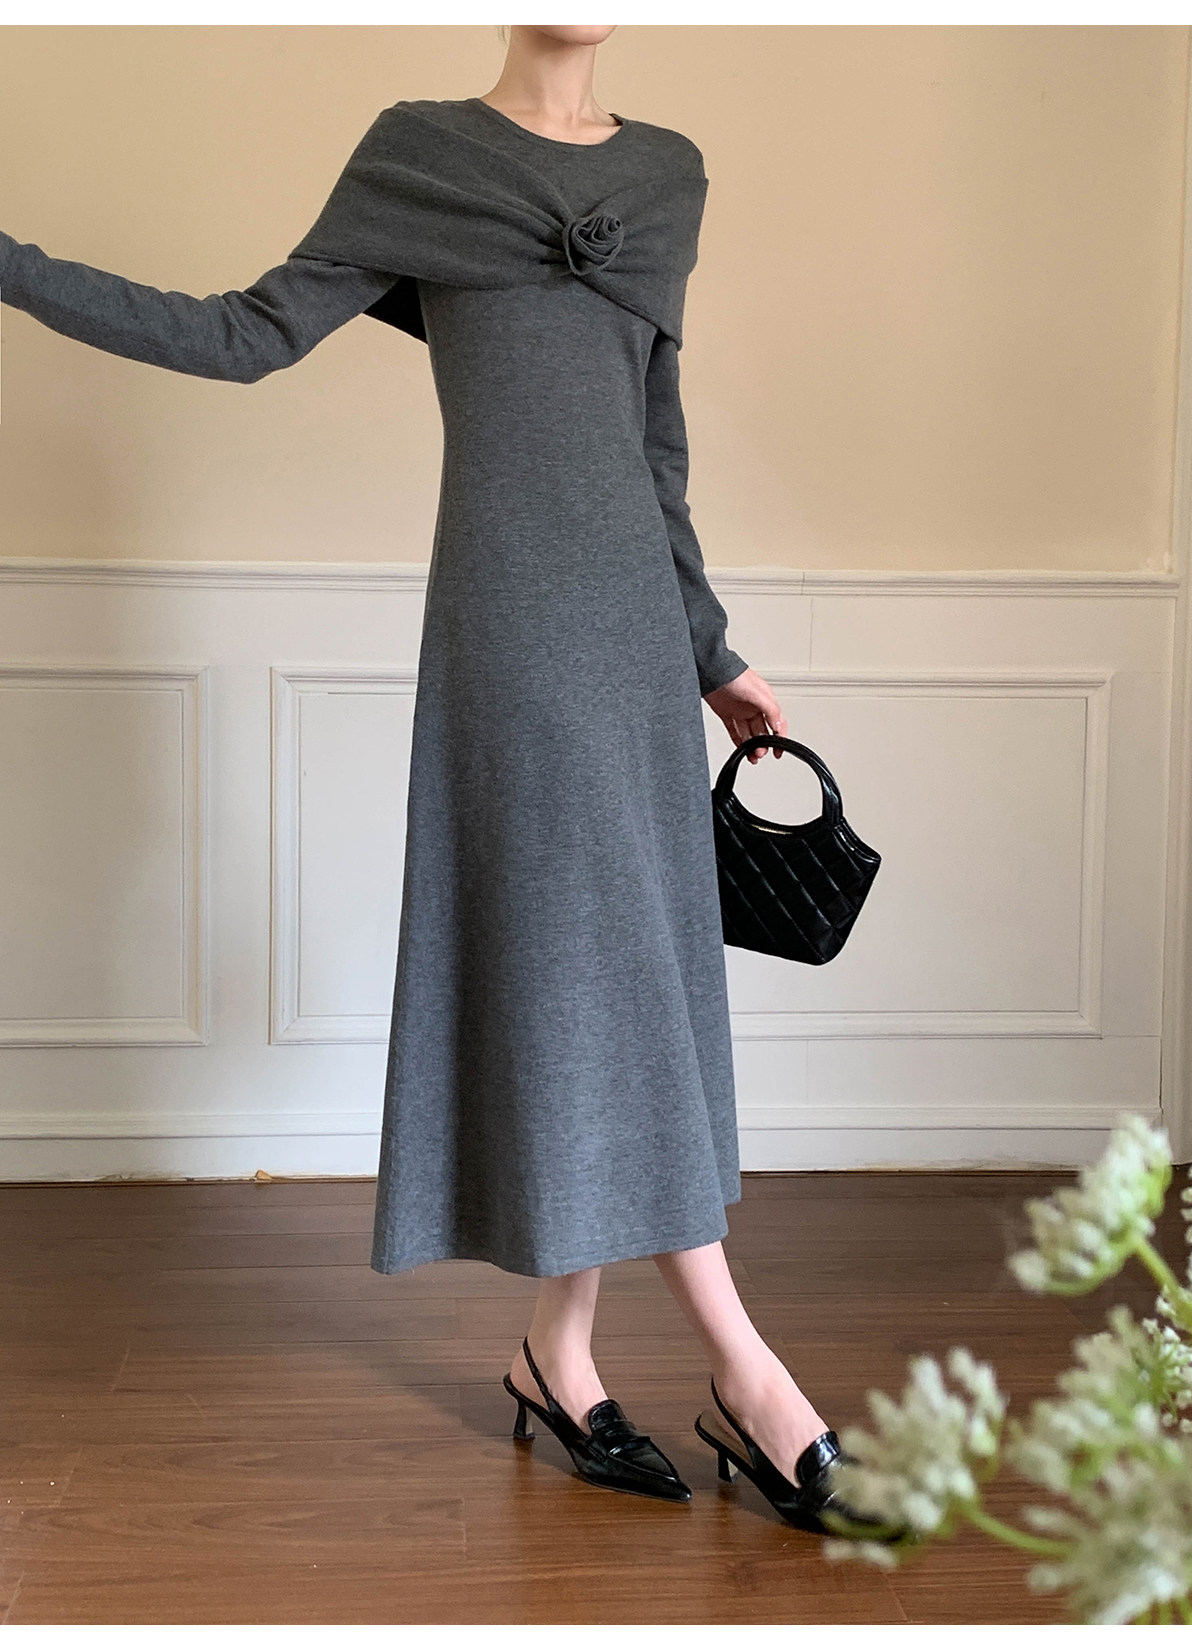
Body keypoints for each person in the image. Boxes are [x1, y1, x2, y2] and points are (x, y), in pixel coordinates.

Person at [0, 23, 894, 1538]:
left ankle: (561, 1352)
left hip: (636, 641)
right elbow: (243, 332)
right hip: (513, 630)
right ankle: (752, 1375)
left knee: (597, 982)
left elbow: (653, 446)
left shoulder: (668, 177)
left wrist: (709, 648)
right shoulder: (422, 152)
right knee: (605, 975)